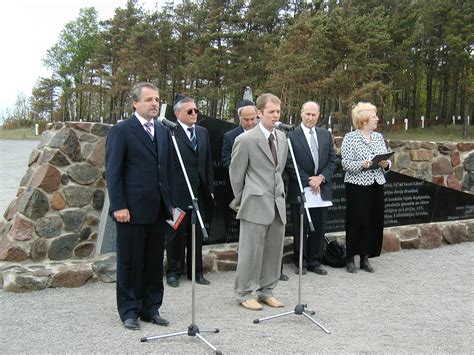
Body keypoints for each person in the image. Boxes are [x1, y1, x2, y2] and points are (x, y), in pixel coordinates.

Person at [105, 82, 174, 330]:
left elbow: (166, 171)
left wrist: (171, 204)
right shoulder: (122, 130)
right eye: (148, 99)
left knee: (155, 262)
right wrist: (119, 205)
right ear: (135, 103)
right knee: (130, 262)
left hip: (157, 209)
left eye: (156, 99)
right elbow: (113, 173)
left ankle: (151, 308)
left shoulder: (164, 131)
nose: (154, 103)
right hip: (131, 210)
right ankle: (129, 311)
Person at [229, 93, 289, 310]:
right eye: (271, 111)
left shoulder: (282, 138)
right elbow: (236, 175)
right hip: (254, 203)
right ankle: (244, 292)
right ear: (259, 113)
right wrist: (242, 200)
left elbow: (278, 170)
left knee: (273, 251)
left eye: (278, 112)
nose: (276, 115)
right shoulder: (245, 140)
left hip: (276, 203)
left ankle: (266, 291)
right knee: (250, 251)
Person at [165, 96, 214, 287]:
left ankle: (196, 271)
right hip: (177, 194)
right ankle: (173, 272)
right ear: (178, 114)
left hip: (198, 193)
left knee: (197, 234)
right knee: (175, 234)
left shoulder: (202, 132)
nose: (194, 114)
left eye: (196, 110)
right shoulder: (170, 133)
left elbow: (207, 162)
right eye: (189, 111)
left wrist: (210, 188)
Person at [286, 101, 337, 275]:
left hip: (321, 189)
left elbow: (332, 160)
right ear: (301, 114)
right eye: (307, 114)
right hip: (301, 188)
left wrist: (321, 178)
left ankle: (315, 261)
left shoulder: (325, 135)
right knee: (301, 227)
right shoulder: (291, 136)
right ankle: (301, 262)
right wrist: (309, 181)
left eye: (314, 114)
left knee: (319, 226)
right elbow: (289, 162)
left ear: (318, 115)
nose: (310, 118)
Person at [341, 102, 391, 273]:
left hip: (376, 183)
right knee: (357, 221)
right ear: (364, 119)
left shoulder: (378, 137)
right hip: (357, 185)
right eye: (374, 116)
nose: (377, 118)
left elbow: (386, 159)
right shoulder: (350, 138)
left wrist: (386, 163)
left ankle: (365, 257)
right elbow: (345, 164)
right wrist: (362, 164)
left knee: (372, 220)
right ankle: (350, 257)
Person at [221, 99, 258, 168]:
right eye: (246, 120)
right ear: (240, 118)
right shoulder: (230, 137)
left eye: (252, 119)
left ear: (257, 116)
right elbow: (226, 161)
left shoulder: (264, 134)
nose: (250, 123)